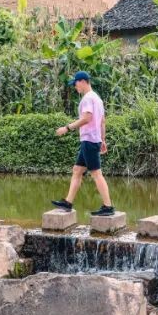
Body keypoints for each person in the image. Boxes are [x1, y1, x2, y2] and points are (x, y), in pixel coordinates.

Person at [51, 71, 114, 216]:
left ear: (83, 81)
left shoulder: (87, 98)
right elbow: (102, 121)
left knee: (97, 174)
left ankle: (108, 206)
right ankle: (68, 202)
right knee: (77, 170)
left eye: (75, 84)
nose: (75, 87)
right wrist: (103, 140)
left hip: (89, 140)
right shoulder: (97, 99)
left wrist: (67, 128)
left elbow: (87, 118)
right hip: (93, 139)